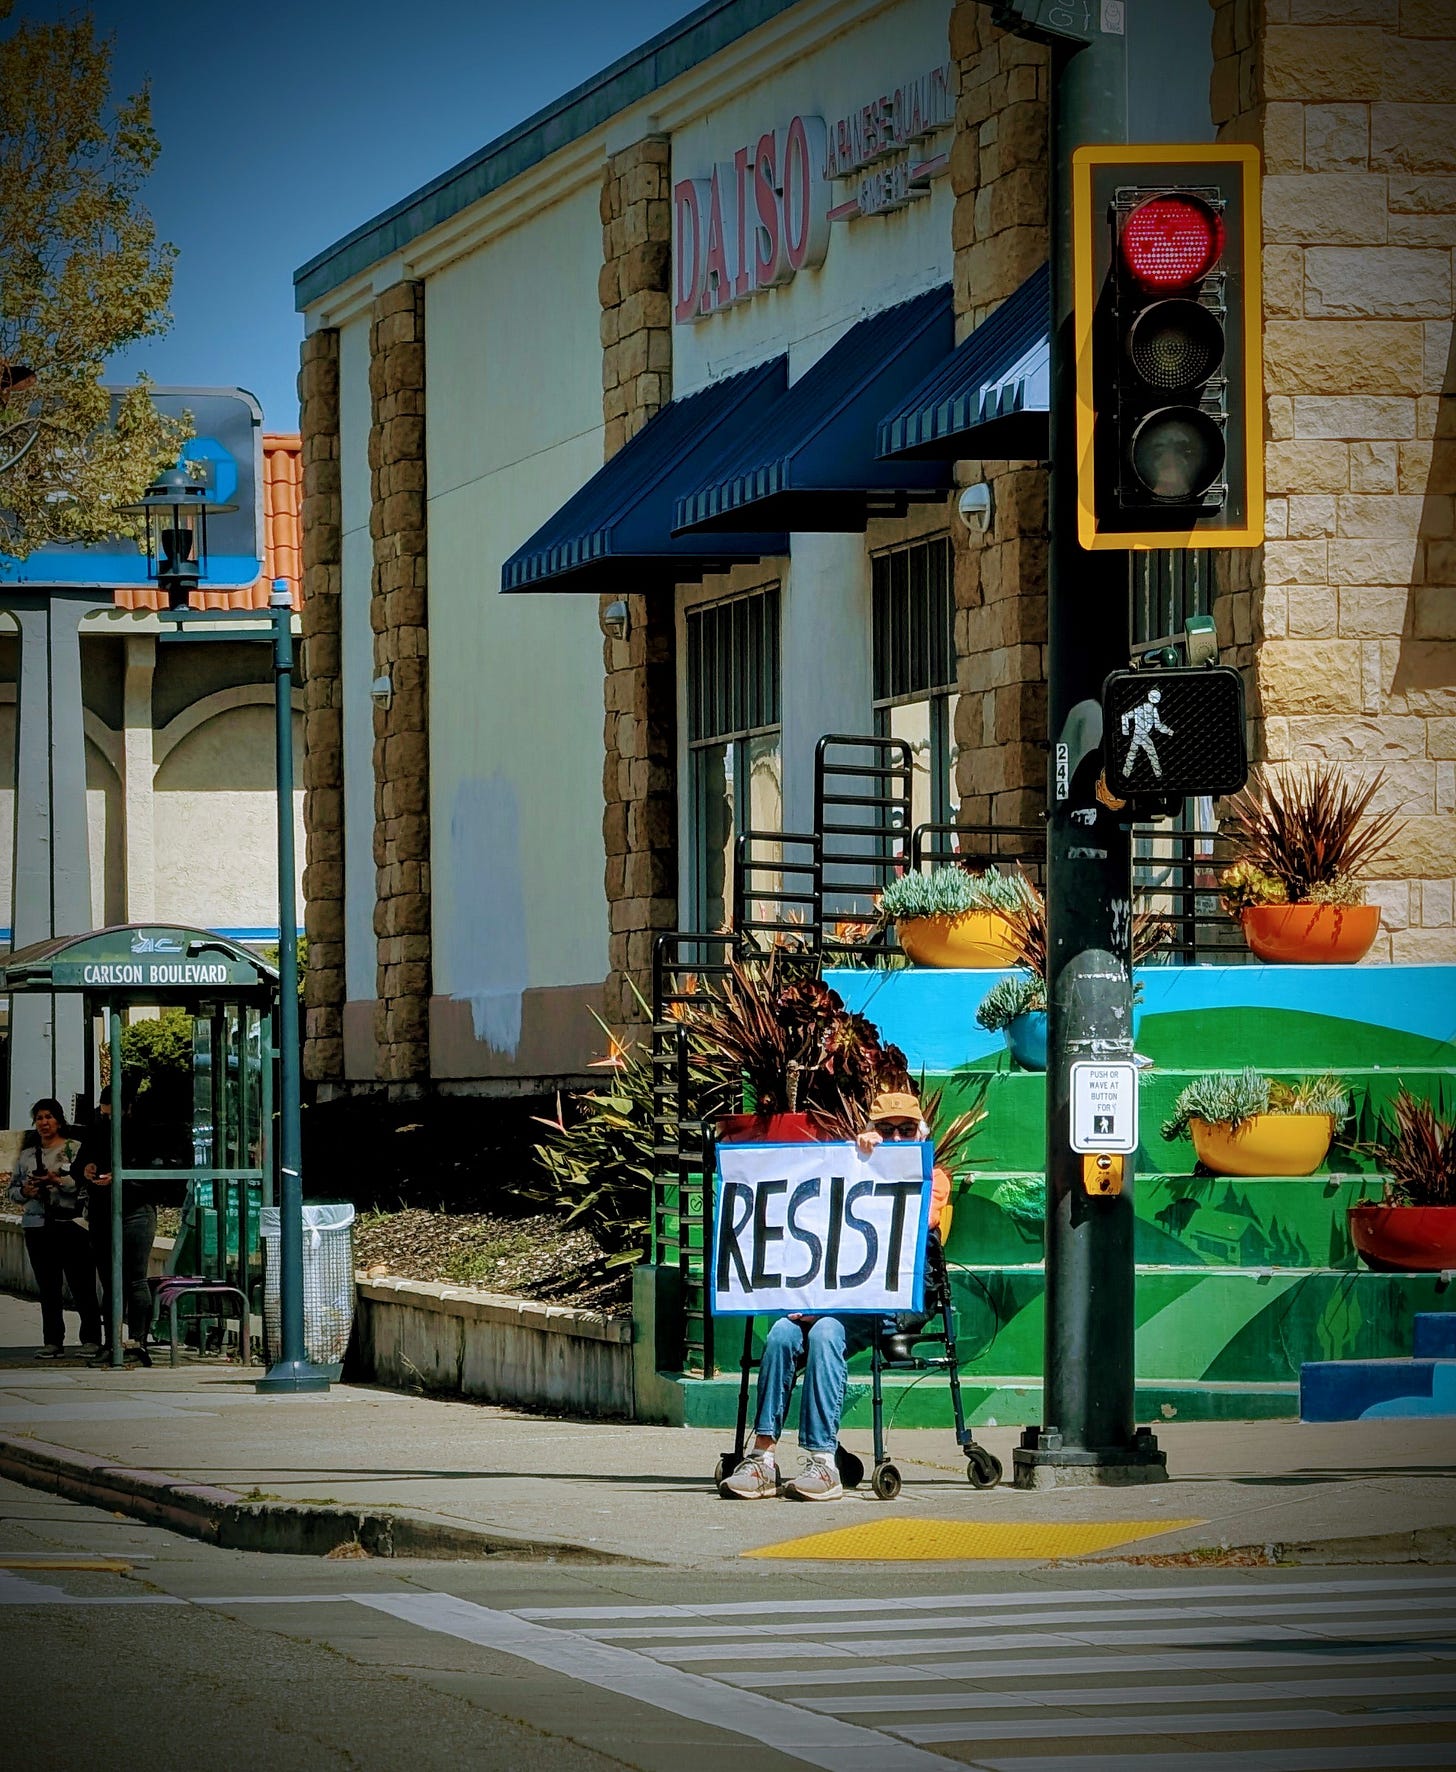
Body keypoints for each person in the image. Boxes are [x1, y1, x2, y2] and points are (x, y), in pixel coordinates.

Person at [718, 1088, 952, 1503]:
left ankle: (822, 1459)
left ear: (922, 1131)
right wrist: (857, 1157)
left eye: (906, 1130)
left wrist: (877, 1165)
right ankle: (763, 1457)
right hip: (833, 1298)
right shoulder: (849, 1168)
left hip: (892, 1304)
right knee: (782, 1334)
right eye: (886, 1129)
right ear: (870, 1129)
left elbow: (920, 1218)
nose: (896, 1138)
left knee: (826, 1330)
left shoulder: (932, 1177)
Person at [4, 1098, 103, 1358]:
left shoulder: (74, 1149)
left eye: (48, 1117)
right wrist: (26, 1191)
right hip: (38, 1225)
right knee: (48, 1287)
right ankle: (53, 1341)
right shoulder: (27, 1155)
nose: (44, 1123)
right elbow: (11, 1191)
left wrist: (56, 1180)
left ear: (58, 1120)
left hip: (70, 1225)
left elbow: (82, 1184)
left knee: (81, 1284)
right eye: (39, 1118)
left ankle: (91, 1339)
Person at [76, 1094, 158, 1366]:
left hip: (135, 1209)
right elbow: (78, 1165)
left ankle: (137, 1341)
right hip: (103, 1211)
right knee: (110, 1280)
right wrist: (86, 1169)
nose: (109, 1120)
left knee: (135, 1278)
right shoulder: (97, 1128)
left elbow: (156, 1173)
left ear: (129, 1109)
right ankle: (111, 1343)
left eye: (114, 1115)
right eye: (105, 1115)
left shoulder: (143, 1131)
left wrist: (123, 1176)